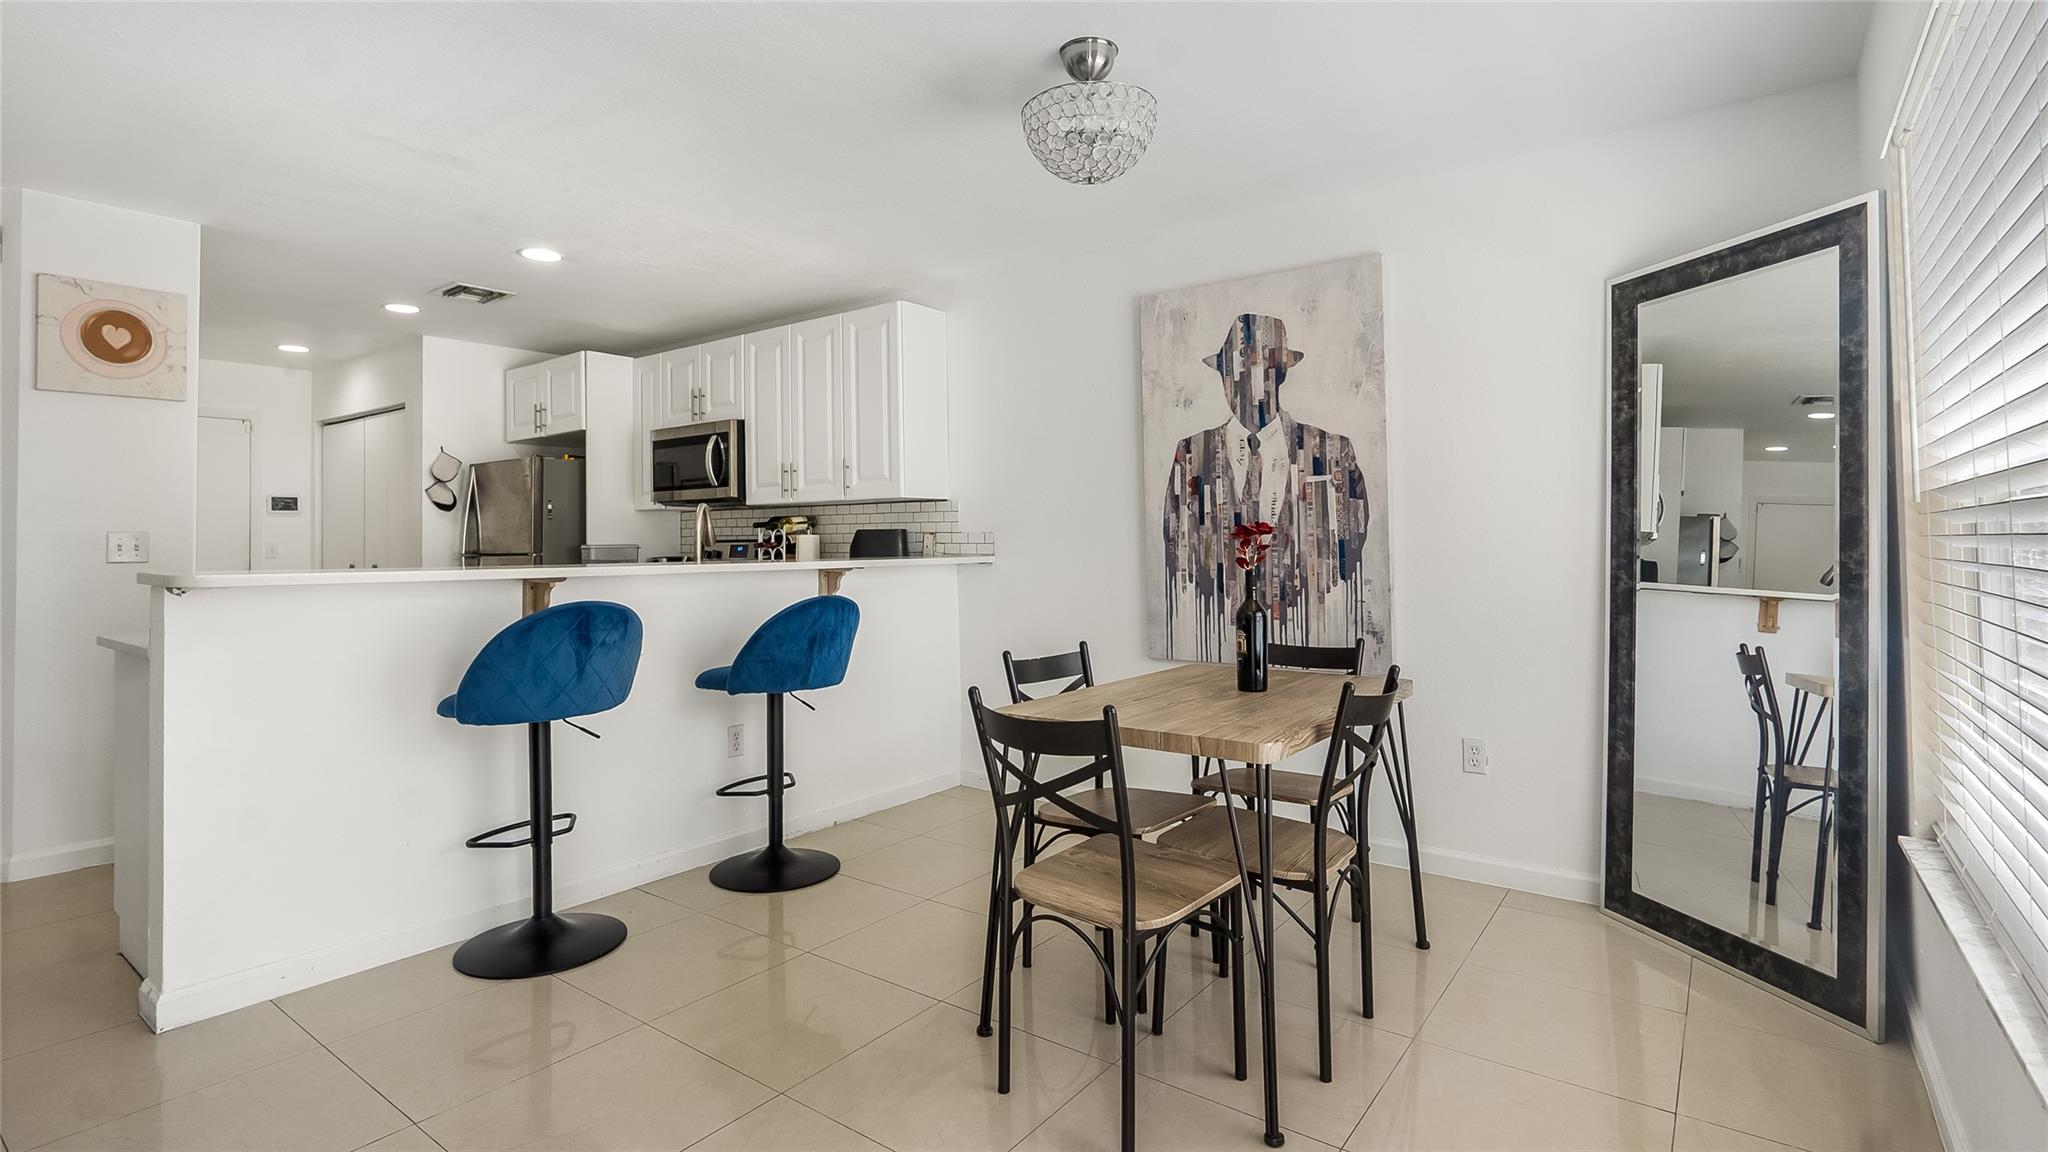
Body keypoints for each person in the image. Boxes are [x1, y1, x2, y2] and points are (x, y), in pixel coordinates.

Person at [1161, 313, 1370, 660]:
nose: (1243, 386)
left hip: (1308, 635)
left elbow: (1353, 541)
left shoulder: (1330, 451)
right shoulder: (1191, 453)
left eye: (1257, 373)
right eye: (1232, 373)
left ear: (1280, 375)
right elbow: (1176, 548)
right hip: (1219, 641)